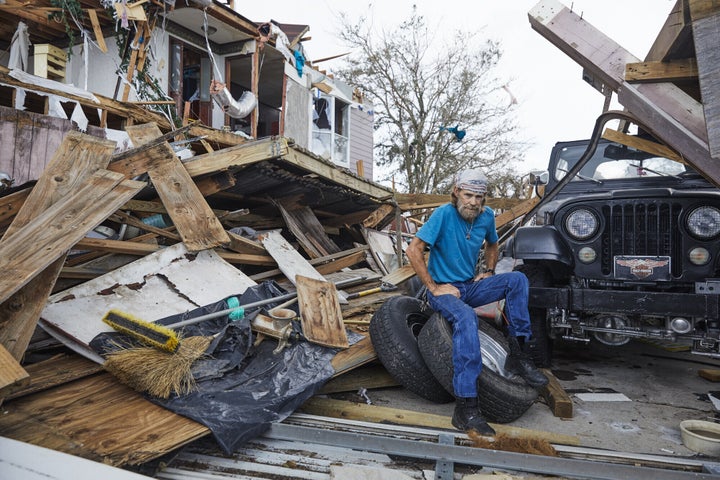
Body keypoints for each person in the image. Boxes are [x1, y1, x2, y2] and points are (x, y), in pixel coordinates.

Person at [406, 169, 548, 436]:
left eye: (479, 197)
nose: (473, 202)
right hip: (444, 291)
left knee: (516, 280)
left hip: (469, 287)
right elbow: (413, 250)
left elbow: (493, 245)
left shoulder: (485, 217)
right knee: (466, 319)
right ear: (457, 192)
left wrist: (490, 270)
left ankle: (518, 356)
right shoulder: (443, 215)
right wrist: (434, 287)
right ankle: (466, 409)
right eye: (468, 195)